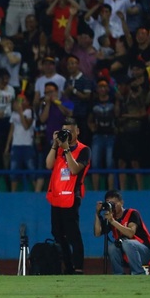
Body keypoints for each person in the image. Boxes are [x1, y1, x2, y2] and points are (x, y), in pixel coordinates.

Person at [46, 117, 90, 274]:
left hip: (72, 197)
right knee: (57, 234)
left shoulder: (84, 150)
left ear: (77, 131)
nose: (68, 134)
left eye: (71, 131)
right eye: (65, 131)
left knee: (73, 235)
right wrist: (55, 144)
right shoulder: (57, 148)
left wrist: (66, 149)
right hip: (56, 198)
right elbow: (49, 165)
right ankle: (68, 266)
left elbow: (74, 169)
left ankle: (78, 268)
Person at [94, 190, 150, 275]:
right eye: (110, 204)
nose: (113, 207)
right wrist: (97, 213)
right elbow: (97, 233)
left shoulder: (132, 213)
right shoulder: (111, 217)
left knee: (127, 243)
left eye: (114, 204)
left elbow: (130, 233)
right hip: (126, 254)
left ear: (121, 202)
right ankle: (118, 275)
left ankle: (138, 273)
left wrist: (113, 221)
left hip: (145, 252)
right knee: (112, 247)